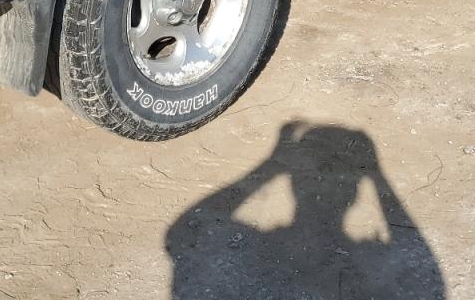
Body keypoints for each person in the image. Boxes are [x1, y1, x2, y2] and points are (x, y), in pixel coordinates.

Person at [166, 120, 445, 299]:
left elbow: (181, 234)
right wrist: (378, 176)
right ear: (354, 196)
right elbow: (430, 281)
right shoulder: (372, 260)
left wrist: (271, 165)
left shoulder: (261, 250)